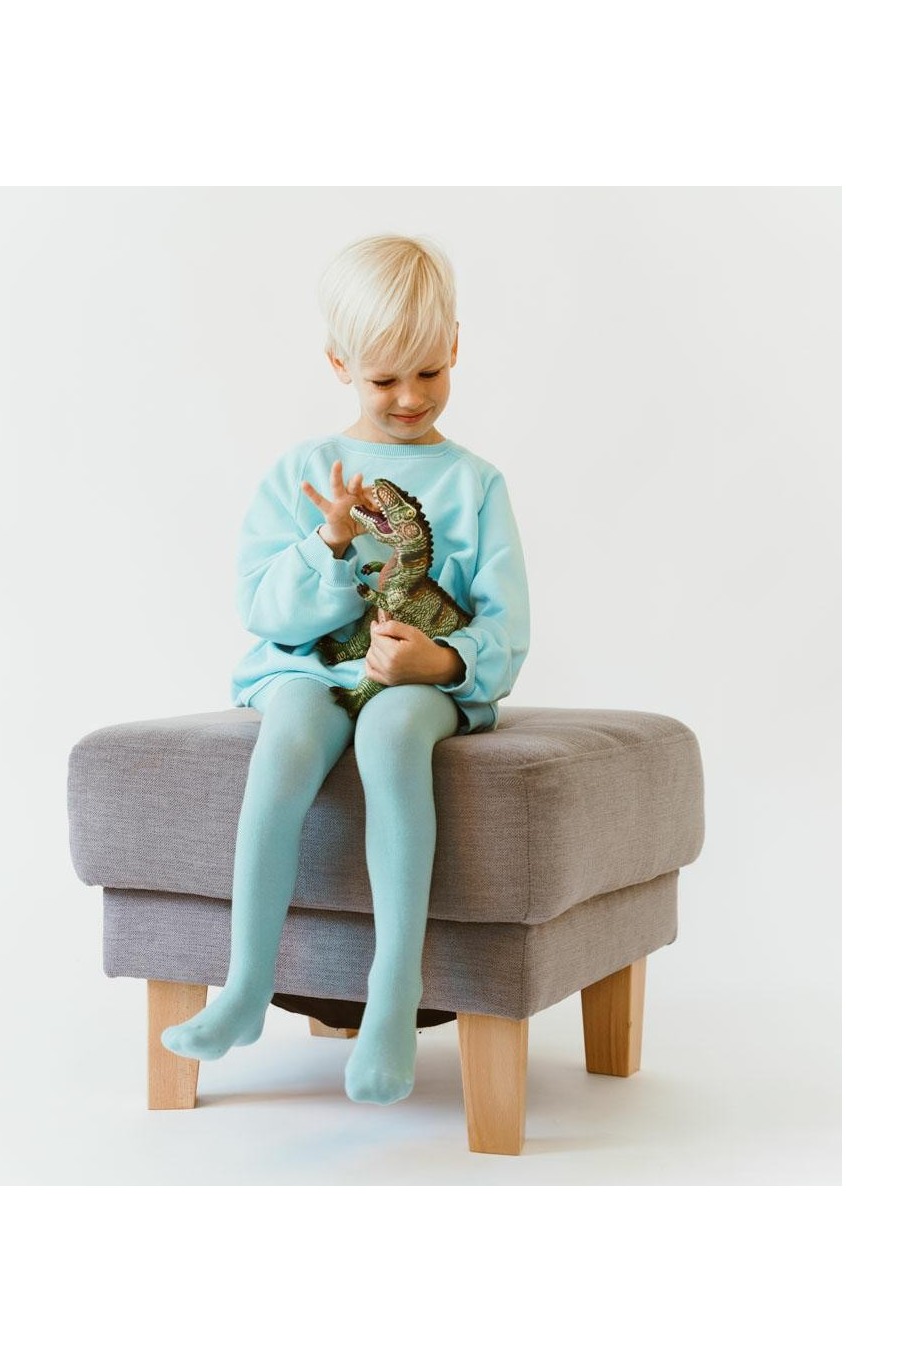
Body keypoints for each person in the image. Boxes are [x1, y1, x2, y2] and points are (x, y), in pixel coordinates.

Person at [161, 233, 531, 1105]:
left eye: (429, 372)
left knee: (394, 730)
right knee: (290, 735)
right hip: (315, 672)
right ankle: (245, 988)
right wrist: (329, 545)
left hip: (421, 680)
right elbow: (264, 609)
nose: (409, 398)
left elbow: (508, 626)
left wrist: (440, 658)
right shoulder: (301, 473)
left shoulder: (476, 484)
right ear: (340, 366)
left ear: (455, 348)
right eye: (383, 379)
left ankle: (392, 1000)